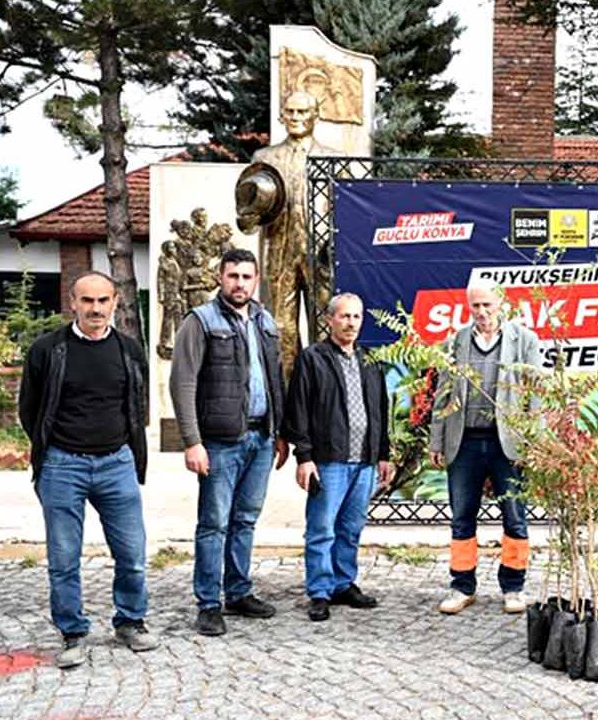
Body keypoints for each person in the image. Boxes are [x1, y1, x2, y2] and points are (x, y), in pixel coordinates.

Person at [19, 271, 156, 668]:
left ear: (115, 302)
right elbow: (29, 410)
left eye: (103, 300)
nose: (96, 309)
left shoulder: (130, 350)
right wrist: (53, 449)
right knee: (64, 559)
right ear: (73, 302)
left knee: (132, 553)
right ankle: (72, 632)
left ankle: (130, 621)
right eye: (87, 300)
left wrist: (128, 450)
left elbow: (137, 405)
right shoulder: (47, 350)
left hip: (117, 464)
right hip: (63, 466)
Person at [171, 248, 289, 636]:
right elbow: (183, 382)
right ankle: (208, 603)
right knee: (214, 523)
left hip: (261, 437)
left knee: (245, 519)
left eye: (246, 277)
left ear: (256, 280)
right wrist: (192, 441)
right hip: (220, 442)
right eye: (233, 276)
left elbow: (275, 379)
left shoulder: (265, 321)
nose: (240, 283)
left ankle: (238, 591)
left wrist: (280, 431)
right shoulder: (200, 321)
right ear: (220, 278)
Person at [429, 280, 542, 615]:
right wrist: (436, 440)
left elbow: (535, 395)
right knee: (462, 517)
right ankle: (462, 586)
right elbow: (442, 394)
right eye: (475, 306)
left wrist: (533, 442)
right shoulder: (456, 341)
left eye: (487, 305)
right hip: (464, 442)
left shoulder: (525, 341)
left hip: (508, 444)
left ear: (501, 303)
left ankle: (514, 587)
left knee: (515, 517)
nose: (481, 312)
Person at [282, 293, 394, 622]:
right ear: (329, 320)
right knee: (322, 528)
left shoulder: (370, 361)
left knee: (351, 527)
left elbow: (381, 409)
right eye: (344, 316)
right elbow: (298, 408)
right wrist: (304, 456)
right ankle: (319, 590)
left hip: (364, 461)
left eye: (356, 316)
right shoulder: (312, 359)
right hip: (328, 460)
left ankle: (343, 583)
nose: (351, 323)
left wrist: (383, 454)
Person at [238, 91, 339, 379]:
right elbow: (247, 215)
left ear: (315, 115)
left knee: (325, 322)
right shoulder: (264, 158)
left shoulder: (332, 158)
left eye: (302, 112)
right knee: (281, 330)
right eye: (290, 111)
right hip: (279, 252)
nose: (295, 117)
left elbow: (344, 208)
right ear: (282, 115)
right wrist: (249, 214)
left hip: (319, 254)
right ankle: (286, 395)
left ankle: (323, 388)